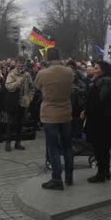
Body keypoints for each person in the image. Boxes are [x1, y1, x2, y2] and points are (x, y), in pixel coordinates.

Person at [35, 48, 75, 190]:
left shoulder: (43, 73)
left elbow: (37, 87)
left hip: (50, 113)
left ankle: (57, 179)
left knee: (53, 147)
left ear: (47, 58)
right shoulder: (69, 72)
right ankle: (69, 176)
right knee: (67, 146)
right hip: (66, 112)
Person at [84, 60, 111, 183]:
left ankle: (102, 173)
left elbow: (101, 100)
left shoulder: (106, 83)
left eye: (96, 68)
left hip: (102, 119)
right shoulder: (102, 81)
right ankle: (105, 171)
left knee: (101, 147)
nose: (94, 70)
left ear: (103, 70)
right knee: (102, 147)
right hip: (102, 118)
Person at [4, 57, 34, 152]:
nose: (21, 65)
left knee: (20, 123)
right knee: (11, 122)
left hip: (23, 102)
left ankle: (18, 142)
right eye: (19, 63)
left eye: (22, 63)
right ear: (16, 63)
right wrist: (18, 82)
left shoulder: (27, 74)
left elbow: (32, 88)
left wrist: (30, 97)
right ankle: (8, 143)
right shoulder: (11, 74)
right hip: (13, 101)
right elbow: (8, 86)